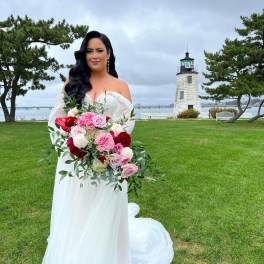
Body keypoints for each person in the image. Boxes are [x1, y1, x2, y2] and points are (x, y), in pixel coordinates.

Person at [42, 30, 174, 264]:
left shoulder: (120, 85)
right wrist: (73, 142)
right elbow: (57, 120)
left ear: (109, 53)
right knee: (77, 213)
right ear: (83, 55)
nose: (94, 55)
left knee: (106, 215)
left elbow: (126, 125)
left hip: (108, 162)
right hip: (75, 163)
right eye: (89, 51)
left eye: (99, 50)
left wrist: (107, 145)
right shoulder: (71, 84)